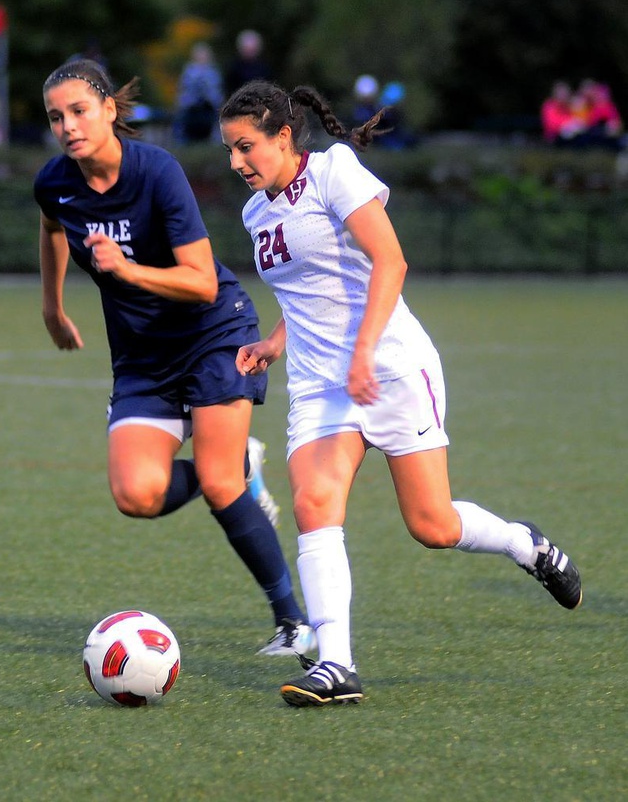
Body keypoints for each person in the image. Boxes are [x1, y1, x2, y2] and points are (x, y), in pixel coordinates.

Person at [219, 79, 582, 707]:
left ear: (284, 135)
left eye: (246, 147)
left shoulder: (334, 172)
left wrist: (362, 353)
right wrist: (275, 342)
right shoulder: (256, 213)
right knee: (313, 500)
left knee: (433, 525)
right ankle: (336, 665)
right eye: (229, 150)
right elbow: (308, 291)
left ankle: (527, 545)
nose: (236, 163)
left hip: (388, 367)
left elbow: (390, 262)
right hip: (319, 385)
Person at [34, 58, 315, 657]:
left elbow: (202, 283)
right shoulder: (54, 181)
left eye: (80, 110)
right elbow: (54, 225)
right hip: (141, 357)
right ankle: (242, 466)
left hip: (212, 333)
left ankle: (293, 621)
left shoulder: (156, 171)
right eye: (56, 116)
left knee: (217, 484)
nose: (68, 125)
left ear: (109, 109)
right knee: (136, 495)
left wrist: (126, 269)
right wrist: (53, 308)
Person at [173, 42, 223, 143]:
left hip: (210, 105)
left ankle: (215, 137)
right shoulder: (188, 71)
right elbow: (183, 89)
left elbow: (216, 91)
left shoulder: (213, 72)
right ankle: (183, 138)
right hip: (191, 106)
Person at [224, 30, 273, 96]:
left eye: (252, 49)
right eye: (247, 48)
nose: (249, 52)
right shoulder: (234, 67)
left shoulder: (264, 68)